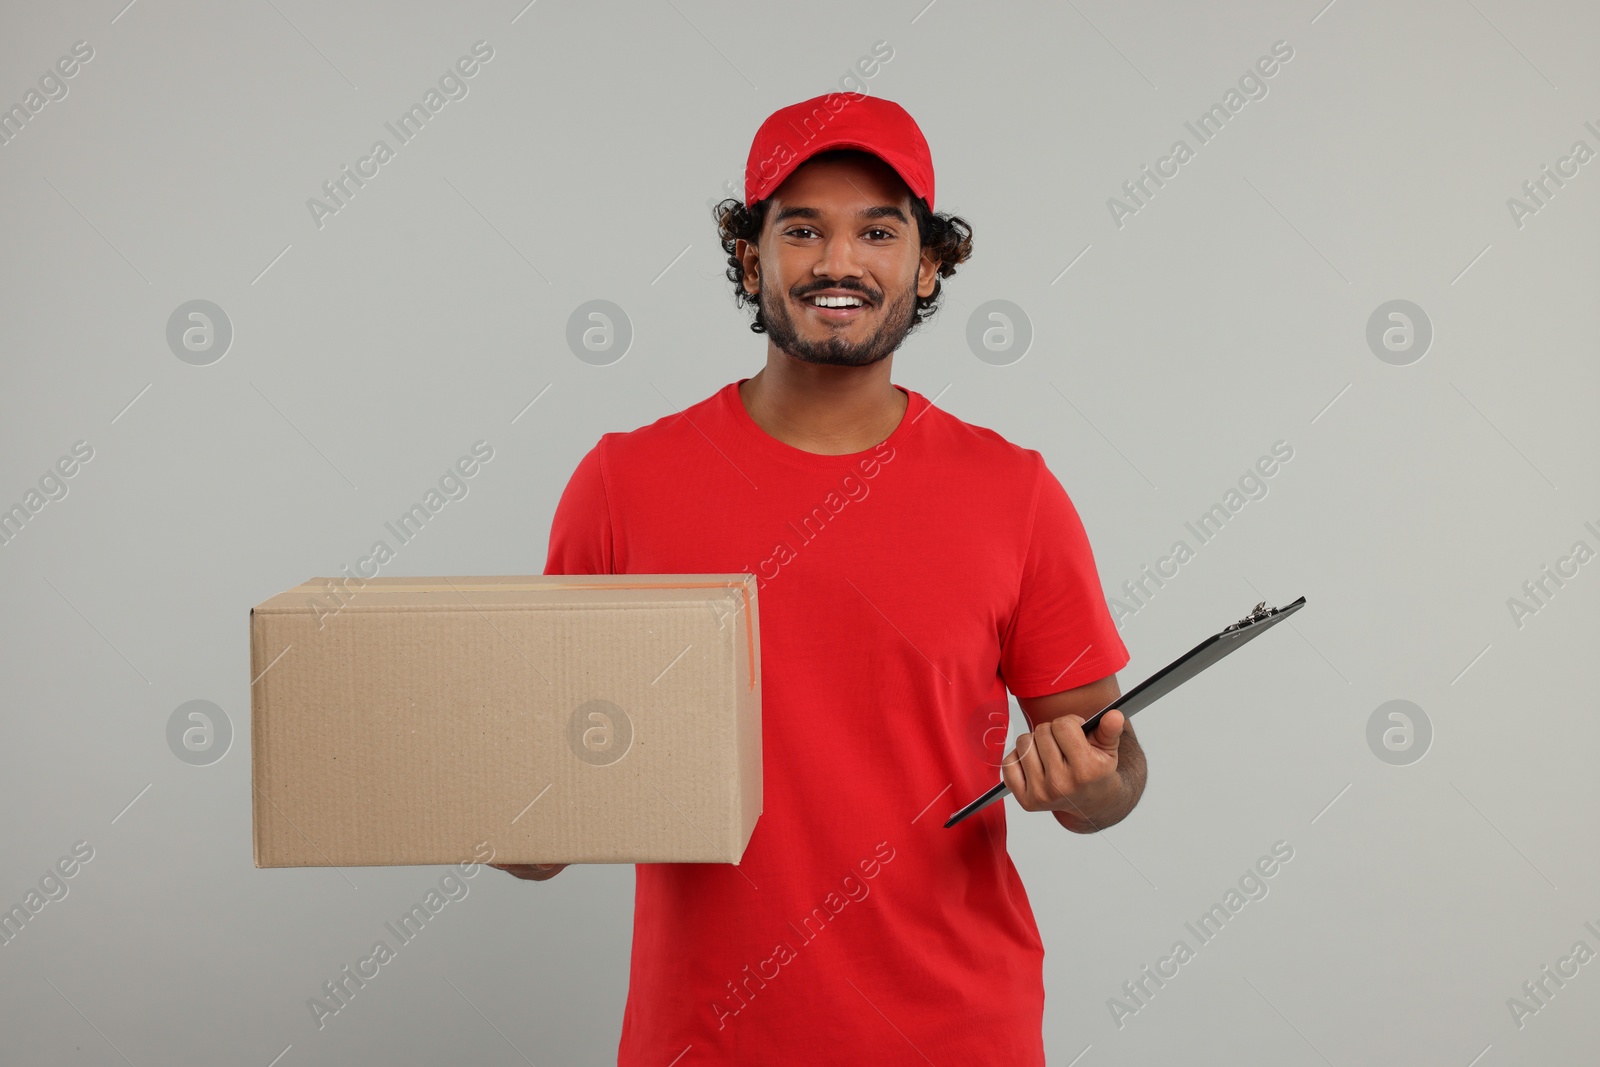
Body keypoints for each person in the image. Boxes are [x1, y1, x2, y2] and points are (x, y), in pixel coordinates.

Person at [493, 92, 1147, 1065]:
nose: (838, 261)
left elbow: (1112, 764)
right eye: (801, 229)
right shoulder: (622, 484)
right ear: (751, 258)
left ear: (927, 263)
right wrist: (507, 808)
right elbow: (531, 821)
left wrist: (1087, 781)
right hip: (704, 1039)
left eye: (877, 231)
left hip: (957, 1036)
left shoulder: (1012, 493)